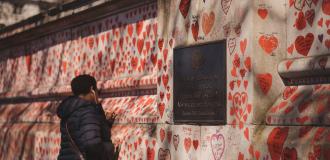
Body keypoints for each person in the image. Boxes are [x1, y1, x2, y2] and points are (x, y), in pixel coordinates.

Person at [57, 74, 118, 160]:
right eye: (97, 90)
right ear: (92, 89)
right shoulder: (88, 112)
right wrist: (110, 149)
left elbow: (81, 132)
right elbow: (92, 145)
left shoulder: (70, 110)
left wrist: (105, 122)